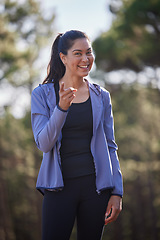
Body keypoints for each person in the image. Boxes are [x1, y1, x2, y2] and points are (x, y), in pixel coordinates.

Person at [31, 30, 123, 240]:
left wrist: (117, 192)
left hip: (96, 190)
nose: (85, 59)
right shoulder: (42, 94)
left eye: (88, 53)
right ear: (63, 58)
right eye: (78, 53)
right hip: (58, 190)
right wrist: (61, 108)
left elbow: (111, 146)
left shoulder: (102, 96)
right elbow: (44, 143)